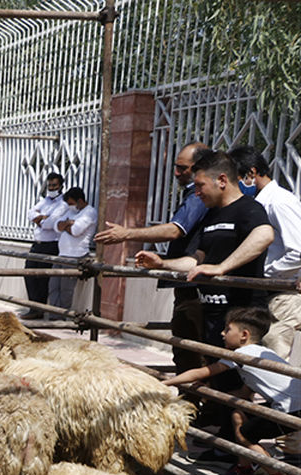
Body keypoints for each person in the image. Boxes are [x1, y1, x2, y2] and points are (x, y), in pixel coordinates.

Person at [135, 149, 275, 348]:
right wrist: (162, 263)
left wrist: (221, 267)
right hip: (212, 317)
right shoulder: (212, 215)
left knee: (235, 376)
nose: (197, 192)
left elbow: (264, 235)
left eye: (201, 185)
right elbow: (198, 260)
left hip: (241, 322)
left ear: (222, 180)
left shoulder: (248, 209)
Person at [95, 142, 210, 371]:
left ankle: (197, 402)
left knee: (192, 349)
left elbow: (175, 229)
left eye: (182, 168)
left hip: (198, 283)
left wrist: (127, 233)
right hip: (187, 277)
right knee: (187, 346)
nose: (176, 173)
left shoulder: (199, 197)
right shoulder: (195, 195)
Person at [164, 307, 300, 475]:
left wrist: (165, 383)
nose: (222, 333)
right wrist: (213, 393)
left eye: (227, 329)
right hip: (290, 404)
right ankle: (244, 470)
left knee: (245, 436)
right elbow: (244, 393)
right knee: (238, 413)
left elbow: (203, 371)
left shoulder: (240, 355)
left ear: (244, 335)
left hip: (291, 409)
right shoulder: (260, 352)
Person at [229, 145, 301, 358]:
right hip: (264, 292)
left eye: (237, 179)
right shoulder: (259, 203)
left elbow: (298, 251)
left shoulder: (278, 202)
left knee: (274, 359)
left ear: (251, 173)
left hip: (281, 295)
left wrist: (266, 272)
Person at [21, 173, 66, 319]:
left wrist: (41, 219)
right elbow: (30, 213)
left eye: (54, 185)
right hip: (37, 244)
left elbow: (51, 223)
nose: (52, 188)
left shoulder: (63, 203)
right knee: (29, 273)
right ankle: (34, 307)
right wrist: (40, 218)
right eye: (50, 185)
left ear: (61, 186)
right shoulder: (45, 201)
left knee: (43, 278)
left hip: (51, 245)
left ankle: (40, 309)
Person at [47, 186, 97, 316]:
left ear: (80, 200)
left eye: (71, 203)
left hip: (75, 255)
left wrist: (66, 225)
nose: (70, 207)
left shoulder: (89, 212)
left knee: (66, 289)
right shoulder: (71, 213)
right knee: (53, 286)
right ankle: (54, 314)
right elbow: (56, 226)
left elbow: (76, 231)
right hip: (61, 254)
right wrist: (68, 223)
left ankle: (62, 316)